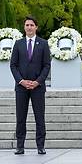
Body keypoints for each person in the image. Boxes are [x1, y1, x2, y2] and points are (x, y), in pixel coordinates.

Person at [10, 16, 51, 155]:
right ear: (24, 27)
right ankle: (20, 146)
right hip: (21, 87)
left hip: (37, 87)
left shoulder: (43, 44)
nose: (29, 27)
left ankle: (40, 146)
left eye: (32, 25)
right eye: (27, 25)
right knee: (21, 117)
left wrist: (38, 81)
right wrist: (21, 81)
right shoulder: (18, 44)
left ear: (36, 27)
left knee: (40, 117)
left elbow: (46, 65)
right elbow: (13, 65)